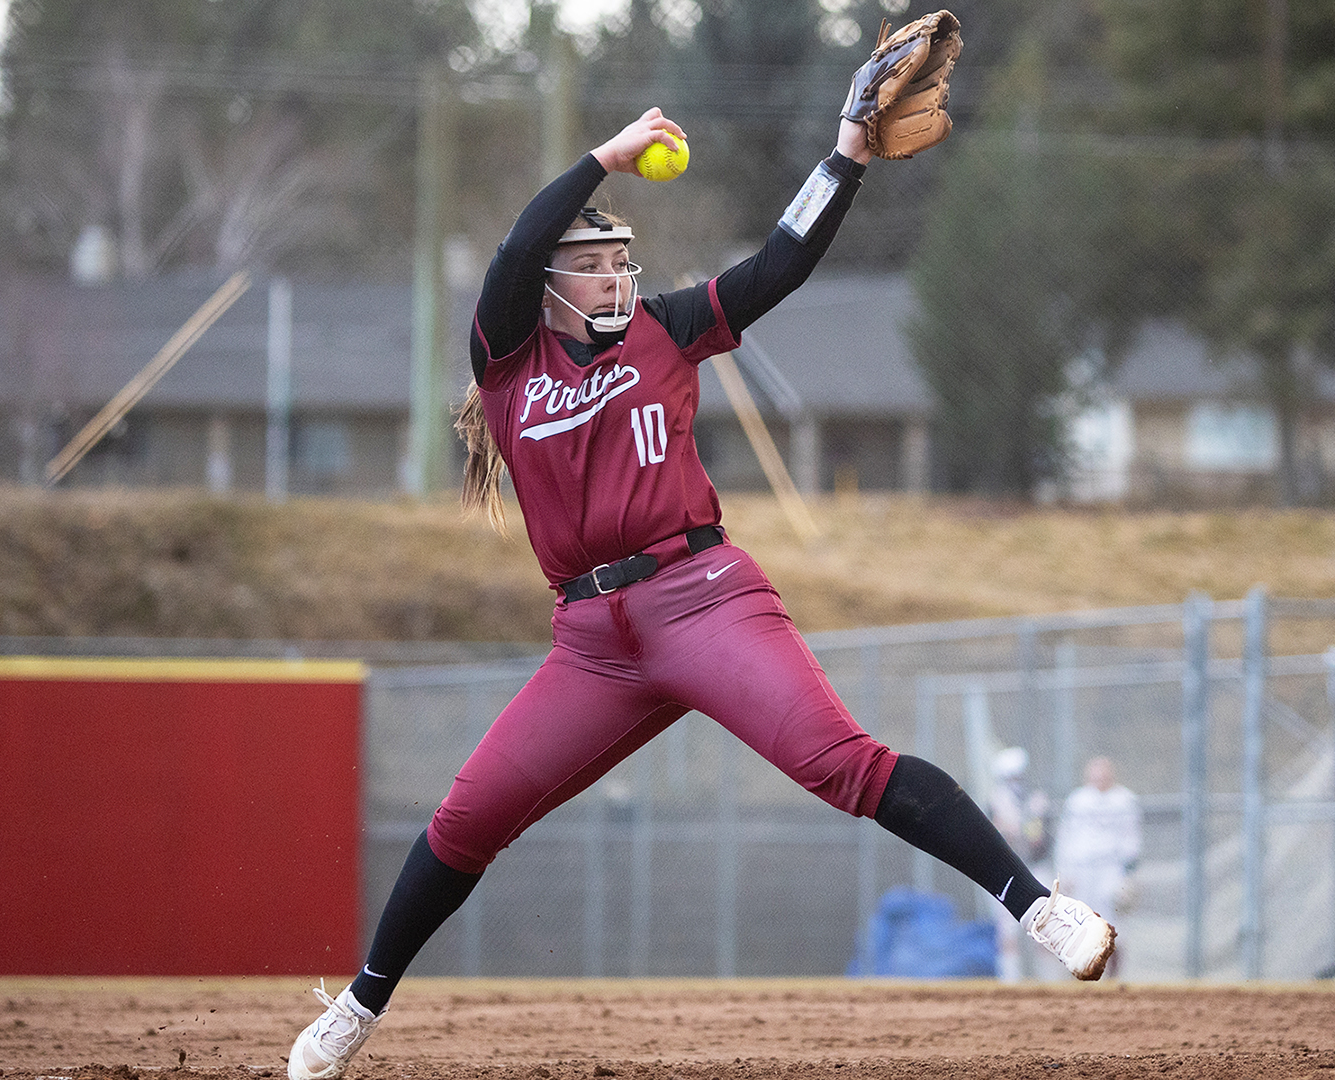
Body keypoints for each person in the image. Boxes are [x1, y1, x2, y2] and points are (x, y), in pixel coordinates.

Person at [285, 93, 1117, 1080]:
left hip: (701, 597)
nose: (611, 275)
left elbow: (780, 262)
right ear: (546, 290)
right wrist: (609, 154)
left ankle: (1040, 908)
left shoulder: (665, 330)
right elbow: (514, 248)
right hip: (590, 641)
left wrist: (845, 154)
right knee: (467, 820)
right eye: (589, 263)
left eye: (616, 261)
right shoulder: (507, 365)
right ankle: (360, 1008)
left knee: (840, 764)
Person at [1053, 756, 1142, 979]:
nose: (1099, 779)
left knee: (1113, 923)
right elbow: (1066, 839)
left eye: (1103, 775)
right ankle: (1082, 975)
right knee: (1081, 921)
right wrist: (1066, 873)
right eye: (1095, 775)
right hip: (1083, 868)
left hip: (1111, 867)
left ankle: (1113, 977)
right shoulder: (1078, 800)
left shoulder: (1125, 800)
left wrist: (1128, 874)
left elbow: (1132, 838)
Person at [984, 746, 1051, 981]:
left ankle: (1048, 982)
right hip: (1007, 870)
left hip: (1036, 866)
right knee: (1008, 932)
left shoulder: (1036, 799)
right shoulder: (996, 801)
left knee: (1044, 926)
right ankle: (1009, 981)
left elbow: (1043, 837)